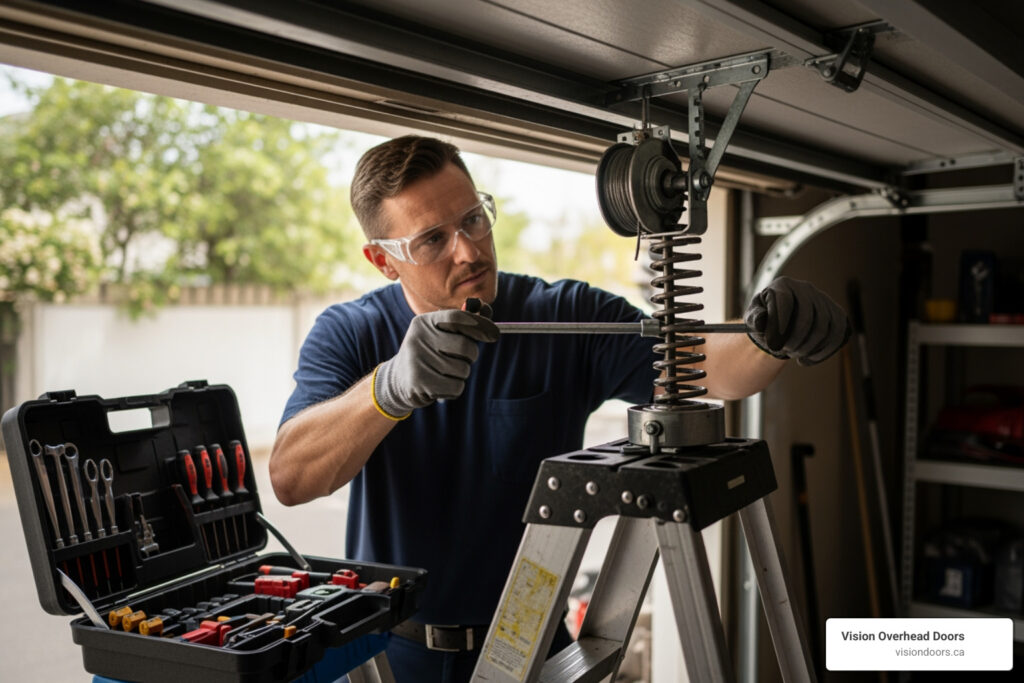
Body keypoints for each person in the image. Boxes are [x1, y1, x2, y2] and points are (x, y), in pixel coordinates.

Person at [270, 135, 850, 682]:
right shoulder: (350, 334)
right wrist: (387, 390)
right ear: (383, 260)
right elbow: (292, 479)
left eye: (474, 218)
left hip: (531, 644)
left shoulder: (561, 314)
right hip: (393, 656)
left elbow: (706, 364)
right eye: (432, 239)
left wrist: (775, 337)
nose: (469, 250)